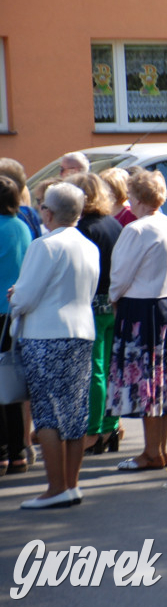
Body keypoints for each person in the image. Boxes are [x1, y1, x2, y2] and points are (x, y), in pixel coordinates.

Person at [8, 183, 99, 508]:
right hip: (80, 331)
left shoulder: (44, 244)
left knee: (47, 413)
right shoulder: (88, 245)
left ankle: (56, 487)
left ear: (48, 211)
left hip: (46, 334)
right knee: (74, 413)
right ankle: (70, 485)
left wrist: (15, 296)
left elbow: (26, 297)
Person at [108, 170, 167, 471]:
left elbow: (119, 276)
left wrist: (113, 298)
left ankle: (149, 452)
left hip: (139, 308)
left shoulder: (136, 229)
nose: (128, 199)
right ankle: (159, 449)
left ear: (139, 197)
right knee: (163, 381)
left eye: (131, 193)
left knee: (148, 382)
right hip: (166, 305)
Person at [64, 173, 124, 454]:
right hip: (115, 302)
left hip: (92, 305)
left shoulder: (82, 229)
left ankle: (93, 431)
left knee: (95, 370)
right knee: (111, 368)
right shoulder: (113, 224)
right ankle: (111, 426)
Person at [0, 176, 32, 478]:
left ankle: (1, 454)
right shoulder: (22, 226)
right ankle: (18, 452)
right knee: (10, 385)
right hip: (17, 314)